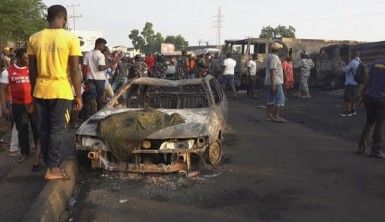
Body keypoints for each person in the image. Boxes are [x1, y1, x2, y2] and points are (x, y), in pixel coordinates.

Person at [28, 5, 83, 180]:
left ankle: (49, 165)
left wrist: (33, 93)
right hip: (61, 91)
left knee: (43, 130)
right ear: (65, 19)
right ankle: (52, 168)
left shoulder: (34, 38)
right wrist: (79, 95)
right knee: (58, 131)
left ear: (47, 17)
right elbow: (75, 70)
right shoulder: (70, 38)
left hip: (40, 90)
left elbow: (32, 70)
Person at [0, 48, 42, 170]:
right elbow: (2, 90)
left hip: (33, 103)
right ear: (18, 58)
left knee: (36, 128)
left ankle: (38, 152)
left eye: (29, 58)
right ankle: (25, 153)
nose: (28, 60)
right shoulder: (7, 72)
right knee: (22, 130)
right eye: (25, 58)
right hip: (18, 105)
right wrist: (4, 107)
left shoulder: (32, 70)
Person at [357, 59, 385, 158]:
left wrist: (362, 94)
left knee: (369, 123)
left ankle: (361, 147)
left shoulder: (376, 63)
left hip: (369, 97)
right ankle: (376, 150)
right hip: (382, 100)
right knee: (379, 124)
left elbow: (368, 79)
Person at [265, 42, 286, 123]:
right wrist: (273, 84)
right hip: (276, 81)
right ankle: (276, 116)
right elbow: (272, 71)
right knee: (280, 99)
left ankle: (269, 115)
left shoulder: (270, 56)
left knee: (270, 98)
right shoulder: (274, 57)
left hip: (271, 80)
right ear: (279, 50)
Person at [339, 50, 361, 117]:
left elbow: (344, 70)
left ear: (353, 55)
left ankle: (347, 112)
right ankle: (353, 111)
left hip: (350, 83)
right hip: (356, 83)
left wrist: (341, 65)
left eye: (351, 54)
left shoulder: (352, 61)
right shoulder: (359, 62)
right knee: (354, 98)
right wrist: (345, 65)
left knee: (348, 98)